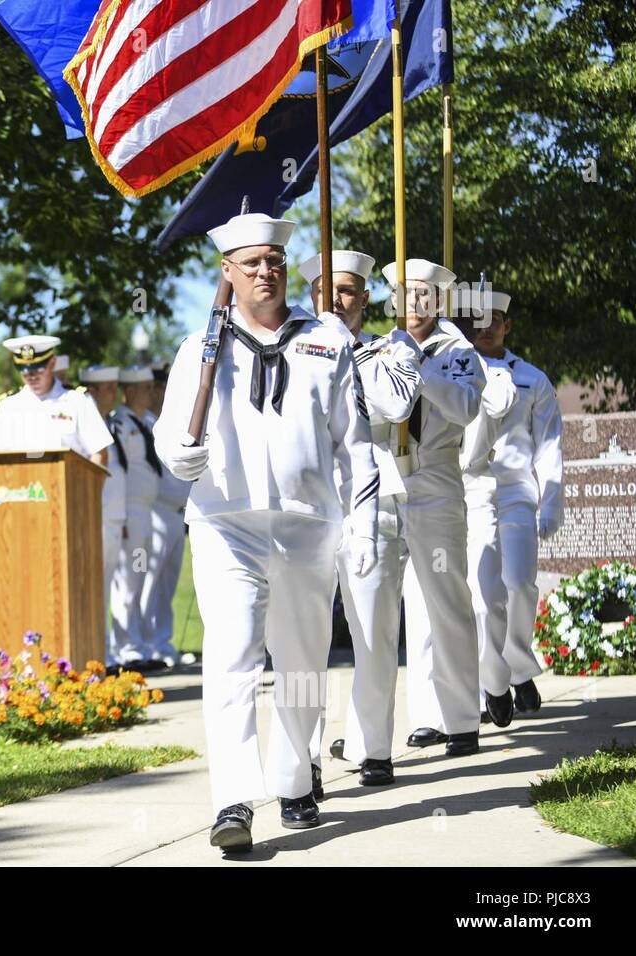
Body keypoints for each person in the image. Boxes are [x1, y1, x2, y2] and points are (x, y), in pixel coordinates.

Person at [152, 213, 379, 852]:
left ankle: (295, 774)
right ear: (227, 273)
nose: (265, 272)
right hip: (227, 523)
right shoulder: (201, 346)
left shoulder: (328, 341)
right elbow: (171, 432)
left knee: (304, 662)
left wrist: (362, 523)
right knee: (231, 658)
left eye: (274, 261)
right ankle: (232, 800)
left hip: (309, 524)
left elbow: (354, 442)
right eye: (250, 263)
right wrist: (181, 456)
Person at [298, 251, 423, 788]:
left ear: (365, 297)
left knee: (373, 631)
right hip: (306, 502)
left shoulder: (390, 347)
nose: (336, 301)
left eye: (347, 291)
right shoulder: (293, 349)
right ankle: (301, 760)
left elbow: (395, 406)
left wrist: (342, 346)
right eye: (326, 291)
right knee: (300, 639)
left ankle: (374, 748)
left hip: (374, 500)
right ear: (310, 296)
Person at [383, 260, 488, 758]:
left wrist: (420, 370)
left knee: (445, 599)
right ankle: (425, 716)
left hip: (435, 475)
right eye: (407, 293)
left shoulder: (457, 352)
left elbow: (465, 409)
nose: (416, 302)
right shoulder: (379, 346)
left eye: (425, 294)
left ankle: (462, 717)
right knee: (406, 605)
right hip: (386, 475)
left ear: (441, 300)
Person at [466, 287, 563, 714]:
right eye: (478, 320)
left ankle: (520, 667)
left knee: (520, 585)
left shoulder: (532, 378)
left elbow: (549, 444)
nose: (485, 328)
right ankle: (495, 684)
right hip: (472, 493)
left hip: (518, 493)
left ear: (507, 325)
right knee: (486, 597)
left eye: (494, 320)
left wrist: (552, 500)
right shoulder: (455, 370)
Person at [454, 286, 521, 727]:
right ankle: (454, 707)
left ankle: (495, 682)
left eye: (484, 320)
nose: (478, 327)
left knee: (486, 598)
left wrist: (470, 363)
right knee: (439, 608)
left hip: (477, 489)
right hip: (428, 492)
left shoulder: (498, 373)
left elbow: (499, 401)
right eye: (468, 320)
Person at [0, 335, 112, 466]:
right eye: (25, 371)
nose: (32, 377)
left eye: (38, 369)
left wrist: (87, 486)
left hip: (69, 484)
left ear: (52, 364)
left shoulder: (78, 401)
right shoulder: (8, 406)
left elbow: (99, 454)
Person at [142, 361, 192, 669]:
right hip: (156, 511)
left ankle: (162, 643)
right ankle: (145, 643)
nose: (161, 393)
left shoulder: (173, 420)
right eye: (157, 387)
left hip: (178, 513)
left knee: (168, 584)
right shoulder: (146, 423)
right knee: (150, 582)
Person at [111, 366, 162, 670]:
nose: (150, 393)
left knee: (138, 579)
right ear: (128, 391)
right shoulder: (120, 424)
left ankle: (138, 644)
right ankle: (125, 648)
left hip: (145, 513)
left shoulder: (144, 422)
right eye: (143, 388)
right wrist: (127, 516)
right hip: (130, 512)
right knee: (127, 582)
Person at [81, 364, 127, 668]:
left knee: (106, 587)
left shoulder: (109, 422)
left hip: (112, 517)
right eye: (108, 388)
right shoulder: (84, 421)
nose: (115, 393)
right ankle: (95, 652)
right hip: (91, 515)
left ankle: (104, 652)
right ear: (92, 392)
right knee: (93, 589)